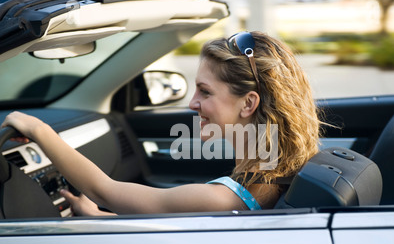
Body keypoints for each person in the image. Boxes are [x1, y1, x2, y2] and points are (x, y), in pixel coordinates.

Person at [1, 31, 323, 216]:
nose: (192, 102)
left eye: (205, 91)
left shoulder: (223, 200)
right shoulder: (276, 172)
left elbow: (106, 191)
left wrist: (36, 129)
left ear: (248, 103)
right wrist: (100, 218)